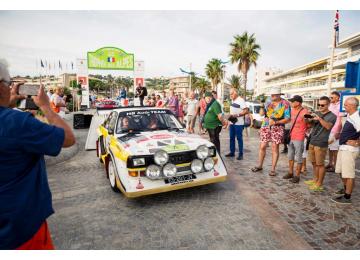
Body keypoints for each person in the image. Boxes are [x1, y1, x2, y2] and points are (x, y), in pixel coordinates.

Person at [0, 60, 76, 249]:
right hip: (19, 230)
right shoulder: (17, 123)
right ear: (1, 86)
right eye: (9, 84)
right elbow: (68, 138)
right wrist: (46, 107)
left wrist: (8, 103)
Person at [251, 87, 291, 176]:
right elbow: (262, 114)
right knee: (262, 146)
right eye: (271, 95)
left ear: (278, 95)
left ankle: (273, 169)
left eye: (273, 95)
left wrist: (276, 122)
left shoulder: (285, 104)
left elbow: (288, 119)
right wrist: (262, 105)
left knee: (274, 148)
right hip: (266, 125)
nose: (271, 97)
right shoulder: (268, 102)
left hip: (278, 127)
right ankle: (260, 165)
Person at [304, 96, 336, 192]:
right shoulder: (317, 113)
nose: (320, 106)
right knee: (314, 163)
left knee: (320, 164)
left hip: (321, 142)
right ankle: (315, 179)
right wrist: (307, 118)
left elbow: (328, 126)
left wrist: (319, 118)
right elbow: (310, 125)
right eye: (319, 104)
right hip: (312, 140)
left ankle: (319, 183)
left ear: (328, 104)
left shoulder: (332, 116)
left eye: (323, 105)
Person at [331, 97, 360, 204]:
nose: (344, 107)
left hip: (350, 150)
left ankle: (347, 197)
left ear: (353, 106)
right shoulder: (350, 115)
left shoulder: (357, 117)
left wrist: (357, 142)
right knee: (340, 171)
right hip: (343, 147)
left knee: (348, 174)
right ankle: (346, 188)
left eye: (346, 105)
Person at [282, 95, 309, 183]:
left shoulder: (305, 112)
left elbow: (309, 125)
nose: (291, 103)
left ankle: (297, 175)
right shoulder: (292, 110)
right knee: (290, 155)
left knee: (299, 157)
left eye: (293, 101)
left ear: (298, 103)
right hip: (291, 136)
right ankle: (290, 173)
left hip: (299, 137)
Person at [225, 88, 248, 160]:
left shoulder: (241, 100)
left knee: (239, 138)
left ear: (236, 93)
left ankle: (240, 154)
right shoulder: (232, 100)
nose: (230, 95)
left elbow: (246, 111)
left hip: (239, 123)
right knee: (231, 138)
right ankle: (232, 152)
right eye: (230, 94)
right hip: (232, 122)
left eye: (232, 94)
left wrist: (237, 115)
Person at [326, 91, 343, 172]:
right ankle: (330, 163)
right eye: (330, 97)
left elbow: (340, 120)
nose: (330, 98)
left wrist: (338, 132)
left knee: (335, 149)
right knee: (330, 148)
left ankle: (335, 166)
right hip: (329, 129)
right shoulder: (330, 105)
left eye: (332, 97)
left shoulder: (340, 105)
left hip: (335, 130)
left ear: (337, 97)